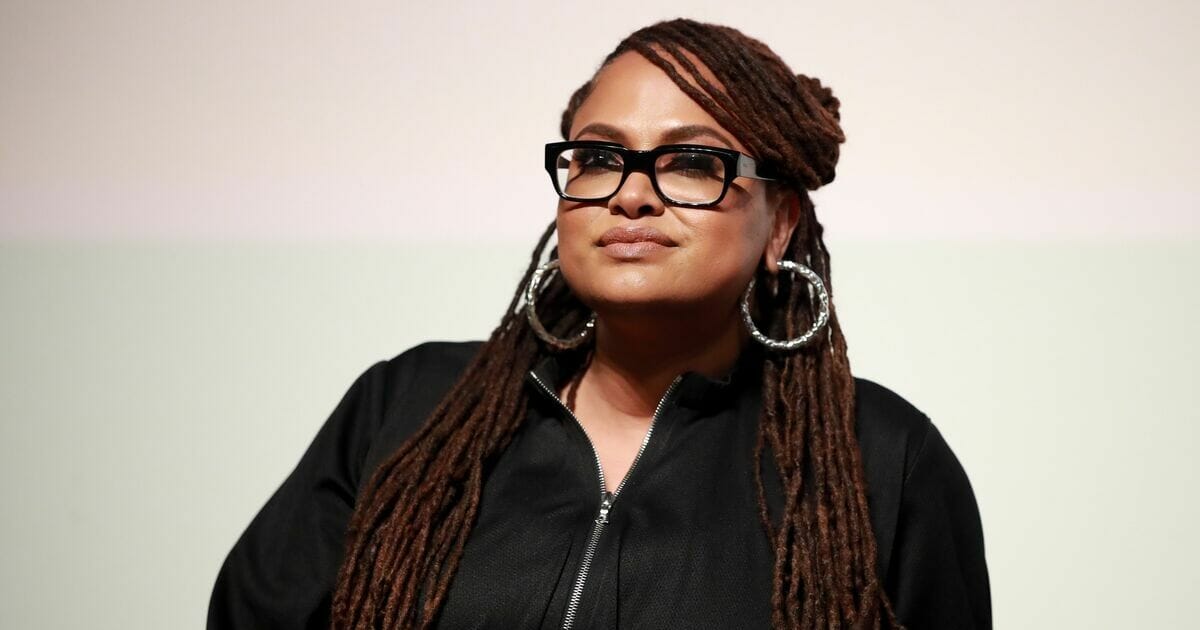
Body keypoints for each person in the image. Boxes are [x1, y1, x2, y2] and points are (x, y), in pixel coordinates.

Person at [208, 18, 991, 630]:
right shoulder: (407, 409)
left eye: (691, 162)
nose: (630, 196)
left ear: (780, 224)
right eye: (598, 157)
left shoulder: (883, 461)